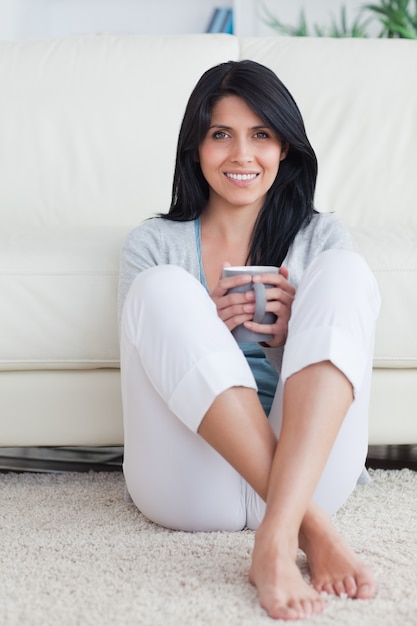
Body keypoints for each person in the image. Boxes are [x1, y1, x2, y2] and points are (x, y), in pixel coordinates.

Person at [118, 60, 381, 620]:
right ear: (195, 148)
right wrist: (202, 321)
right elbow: (146, 370)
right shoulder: (153, 244)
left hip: (307, 468)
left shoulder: (321, 236)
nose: (242, 155)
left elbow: (335, 341)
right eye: (221, 135)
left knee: (346, 272)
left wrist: (289, 340)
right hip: (190, 480)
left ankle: (277, 534)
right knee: (161, 289)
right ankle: (308, 529)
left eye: (260, 135)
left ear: (284, 147)